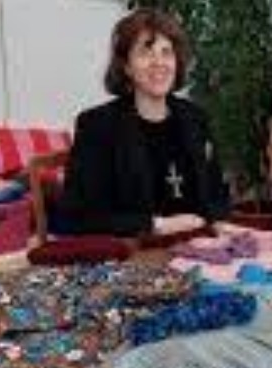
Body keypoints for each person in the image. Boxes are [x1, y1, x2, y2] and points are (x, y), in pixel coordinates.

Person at [57, 8, 228, 238]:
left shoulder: (196, 118)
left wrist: (216, 222)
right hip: (136, 250)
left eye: (166, 52)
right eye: (146, 53)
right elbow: (75, 218)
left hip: (199, 245)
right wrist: (157, 225)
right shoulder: (98, 126)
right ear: (126, 66)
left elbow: (218, 196)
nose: (159, 63)